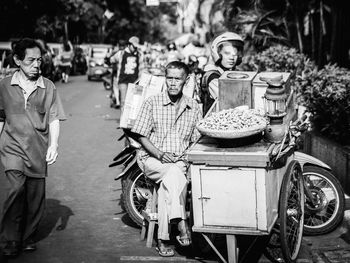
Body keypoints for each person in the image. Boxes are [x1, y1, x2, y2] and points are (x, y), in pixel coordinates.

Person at [0, 38, 66, 257]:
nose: (37, 64)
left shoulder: (48, 86)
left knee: (34, 197)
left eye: (39, 60)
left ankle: (27, 236)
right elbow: (0, 116)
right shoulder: (5, 85)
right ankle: (9, 239)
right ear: (18, 60)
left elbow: (54, 118)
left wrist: (54, 144)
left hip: (38, 149)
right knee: (15, 190)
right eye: (31, 60)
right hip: (11, 148)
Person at [131, 61, 202, 257]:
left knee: (169, 181)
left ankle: (162, 239)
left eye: (177, 79)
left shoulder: (194, 107)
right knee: (173, 174)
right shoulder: (152, 102)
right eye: (169, 78)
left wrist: (184, 160)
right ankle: (182, 224)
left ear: (185, 81)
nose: (172, 83)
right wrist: (159, 154)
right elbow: (141, 135)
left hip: (179, 162)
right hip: (152, 159)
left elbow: (196, 141)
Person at [201, 32, 244, 115]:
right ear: (218, 54)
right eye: (227, 53)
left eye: (235, 54)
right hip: (216, 122)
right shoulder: (212, 76)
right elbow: (229, 100)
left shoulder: (234, 72)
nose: (232, 58)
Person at [110, 36, 144, 111]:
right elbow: (112, 59)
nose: (135, 49)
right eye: (134, 47)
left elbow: (142, 68)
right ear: (129, 45)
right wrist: (111, 61)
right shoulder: (121, 53)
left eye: (136, 47)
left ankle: (131, 121)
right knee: (124, 102)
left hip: (136, 82)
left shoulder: (140, 55)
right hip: (123, 81)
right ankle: (123, 121)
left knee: (135, 104)